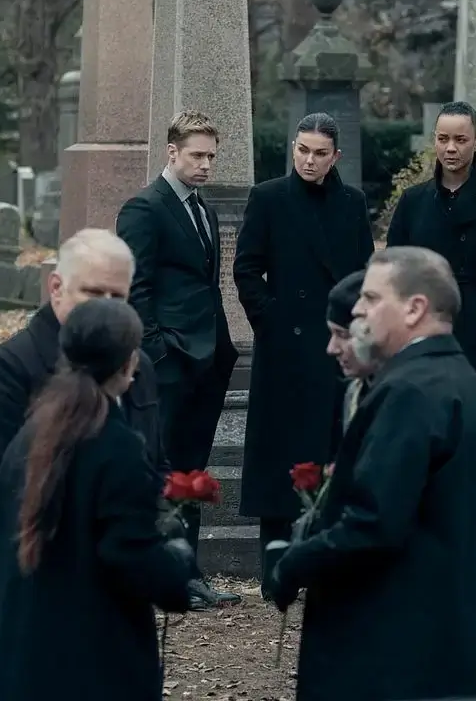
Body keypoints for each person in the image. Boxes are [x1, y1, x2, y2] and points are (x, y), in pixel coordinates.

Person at [267, 246, 476, 701]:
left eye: (372, 298)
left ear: (415, 308)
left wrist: (294, 564)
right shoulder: (465, 383)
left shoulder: (409, 392)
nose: (359, 309)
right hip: (449, 641)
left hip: (398, 647)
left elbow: (374, 523)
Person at [0, 228, 165, 696]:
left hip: (115, 610)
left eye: (118, 297)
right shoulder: (8, 368)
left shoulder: (139, 369)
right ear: (56, 287)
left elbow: (154, 454)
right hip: (36, 599)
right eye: (93, 293)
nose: (107, 308)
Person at [0, 298, 197, 701]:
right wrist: (175, 566)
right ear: (129, 364)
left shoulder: (35, 432)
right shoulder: (115, 446)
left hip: (27, 657)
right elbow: (128, 553)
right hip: (91, 663)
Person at [385, 100, 476, 606]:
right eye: (443, 139)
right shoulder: (414, 202)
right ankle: (422, 569)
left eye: (460, 139)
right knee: (419, 451)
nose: (450, 148)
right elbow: (393, 269)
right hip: (419, 340)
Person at [233, 112, 374, 597]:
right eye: (302, 150)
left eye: (319, 153)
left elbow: (363, 272)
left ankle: (326, 562)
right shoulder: (268, 197)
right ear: (293, 148)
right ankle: (276, 570)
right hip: (285, 352)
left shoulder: (352, 203)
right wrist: (271, 321)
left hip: (336, 348)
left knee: (333, 454)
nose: (309, 160)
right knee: (280, 459)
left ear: (336, 157)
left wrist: (355, 331)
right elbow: (247, 268)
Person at [116, 110, 240, 611]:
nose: (206, 164)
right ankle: (156, 575)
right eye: (197, 155)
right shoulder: (145, 208)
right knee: (161, 467)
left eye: (211, 156)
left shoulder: (202, 208)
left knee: (192, 469)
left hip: (207, 361)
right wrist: (158, 351)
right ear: (172, 152)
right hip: (169, 361)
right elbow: (135, 287)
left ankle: (189, 575)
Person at [324, 270, 377, 434]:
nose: (331, 349)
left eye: (343, 335)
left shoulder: (405, 396)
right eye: (331, 334)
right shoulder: (354, 393)